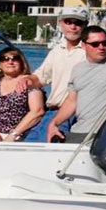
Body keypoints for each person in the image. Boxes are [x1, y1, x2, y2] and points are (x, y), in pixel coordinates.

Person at [27, 8, 89, 137]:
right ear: (60, 23)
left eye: (78, 23)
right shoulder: (57, 51)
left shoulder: (90, 51)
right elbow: (41, 77)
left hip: (76, 115)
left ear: (85, 25)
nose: (73, 27)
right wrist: (25, 81)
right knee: (31, 141)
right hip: (52, 112)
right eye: (68, 22)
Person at [0, 47, 44, 142]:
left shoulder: (29, 82)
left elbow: (37, 112)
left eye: (15, 58)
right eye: (5, 59)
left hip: (22, 134)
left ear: (21, 63)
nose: (10, 62)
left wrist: (13, 135)